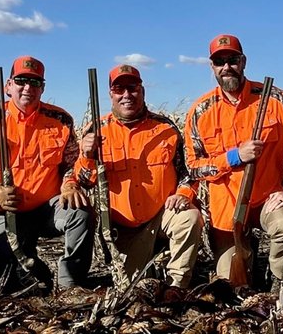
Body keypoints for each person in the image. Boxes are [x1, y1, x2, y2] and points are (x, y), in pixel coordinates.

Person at [185, 34, 283, 289]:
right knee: (231, 284)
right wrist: (233, 157)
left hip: (268, 198)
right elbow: (192, 165)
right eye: (219, 61)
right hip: (227, 210)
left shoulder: (274, 98)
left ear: (243, 61)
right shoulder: (201, 110)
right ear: (212, 67)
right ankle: (246, 253)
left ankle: (278, 278)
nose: (227, 67)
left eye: (232, 59)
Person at [0, 55, 94, 288]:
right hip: (7, 211)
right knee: (15, 282)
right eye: (21, 81)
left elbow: (71, 164)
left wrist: (70, 184)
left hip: (48, 208)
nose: (28, 88)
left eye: (35, 83)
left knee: (80, 211)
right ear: (8, 86)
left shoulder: (60, 119)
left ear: (42, 88)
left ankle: (70, 284)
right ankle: (36, 269)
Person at [72, 64, 202, 288]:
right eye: (119, 89)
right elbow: (84, 181)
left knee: (189, 217)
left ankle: (177, 287)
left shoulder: (165, 128)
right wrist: (86, 155)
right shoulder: (96, 129)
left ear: (142, 91)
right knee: (132, 288)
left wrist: (183, 193)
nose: (126, 95)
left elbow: (187, 172)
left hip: (163, 215)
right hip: (123, 228)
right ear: (111, 94)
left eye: (132, 88)